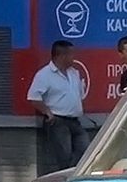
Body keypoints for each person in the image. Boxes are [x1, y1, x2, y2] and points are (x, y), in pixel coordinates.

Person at [27, 39, 90, 170]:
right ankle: (66, 179)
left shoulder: (74, 73)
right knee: (64, 155)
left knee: (86, 149)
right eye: (71, 54)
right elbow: (33, 97)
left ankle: (73, 173)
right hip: (58, 120)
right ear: (62, 56)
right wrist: (47, 112)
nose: (73, 58)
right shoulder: (44, 75)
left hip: (75, 120)